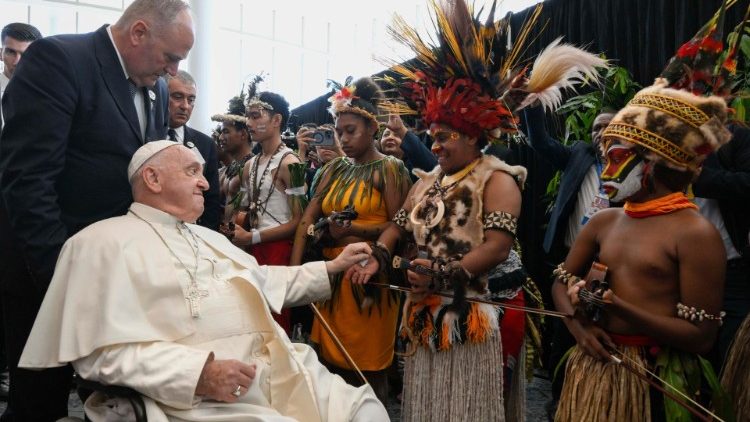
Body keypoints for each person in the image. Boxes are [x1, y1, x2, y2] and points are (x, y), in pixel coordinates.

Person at [347, 2, 606, 420]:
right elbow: (397, 227)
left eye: (444, 136)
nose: (434, 146)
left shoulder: (498, 178)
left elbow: (498, 248)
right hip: (425, 312)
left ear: (471, 134)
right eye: (431, 136)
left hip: (476, 313)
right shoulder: (427, 179)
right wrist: (378, 255)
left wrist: (440, 272)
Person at [17, 140, 388, 421]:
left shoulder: (209, 238)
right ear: (152, 177)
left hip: (281, 368)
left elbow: (265, 281)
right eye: (192, 172)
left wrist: (333, 267)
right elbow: (98, 354)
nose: (206, 184)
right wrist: (199, 375)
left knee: (365, 409)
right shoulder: (98, 243)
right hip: (197, 397)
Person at [0, 1, 192, 419]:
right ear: (138, 33)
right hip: (47, 276)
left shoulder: (156, 87)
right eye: (171, 57)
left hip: (115, 276)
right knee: (39, 402)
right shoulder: (60, 61)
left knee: (116, 398)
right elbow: (29, 181)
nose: (174, 71)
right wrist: (64, 277)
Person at [552, 83, 730, 422]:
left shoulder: (694, 233)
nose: (606, 171)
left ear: (652, 162)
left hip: (652, 379)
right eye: (604, 159)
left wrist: (619, 307)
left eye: (617, 158)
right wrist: (580, 329)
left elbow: (701, 337)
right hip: (594, 371)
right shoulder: (603, 221)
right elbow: (560, 282)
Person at [290, 76, 412, 405]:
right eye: (339, 130)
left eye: (350, 131)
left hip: (368, 281)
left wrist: (356, 232)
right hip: (332, 279)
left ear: (373, 128)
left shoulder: (391, 169)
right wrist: (293, 272)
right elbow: (306, 220)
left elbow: (399, 224)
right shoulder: (334, 170)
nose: (343, 139)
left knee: (366, 372)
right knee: (328, 367)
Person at [227, 91, 303, 333]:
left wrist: (253, 237)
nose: (248, 123)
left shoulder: (293, 164)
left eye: (255, 115)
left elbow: (299, 221)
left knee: (274, 326)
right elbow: (236, 202)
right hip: (252, 251)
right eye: (247, 117)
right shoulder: (250, 164)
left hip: (279, 252)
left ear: (276, 120)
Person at [166, 70, 221, 230]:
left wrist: (207, 235)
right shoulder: (146, 136)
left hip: (192, 232)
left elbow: (211, 198)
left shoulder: (205, 144)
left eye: (191, 100)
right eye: (177, 97)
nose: (185, 106)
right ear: (162, 95)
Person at [212, 93, 254, 223]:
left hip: (242, 238)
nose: (220, 138)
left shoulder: (253, 166)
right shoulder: (230, 167)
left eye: (226, 132)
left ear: (243, 134)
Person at [0, 23, 42, 128]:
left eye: (26, 54)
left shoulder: (47, 93)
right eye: (10, 52)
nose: (17, 61)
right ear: (1, 54)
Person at [378, 114, 437, 179]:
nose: (390, 137)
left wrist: (401, 129)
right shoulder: (375, 168)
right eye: (386, 135)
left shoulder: (413, 168)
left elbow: (432, 168)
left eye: (397, 135)